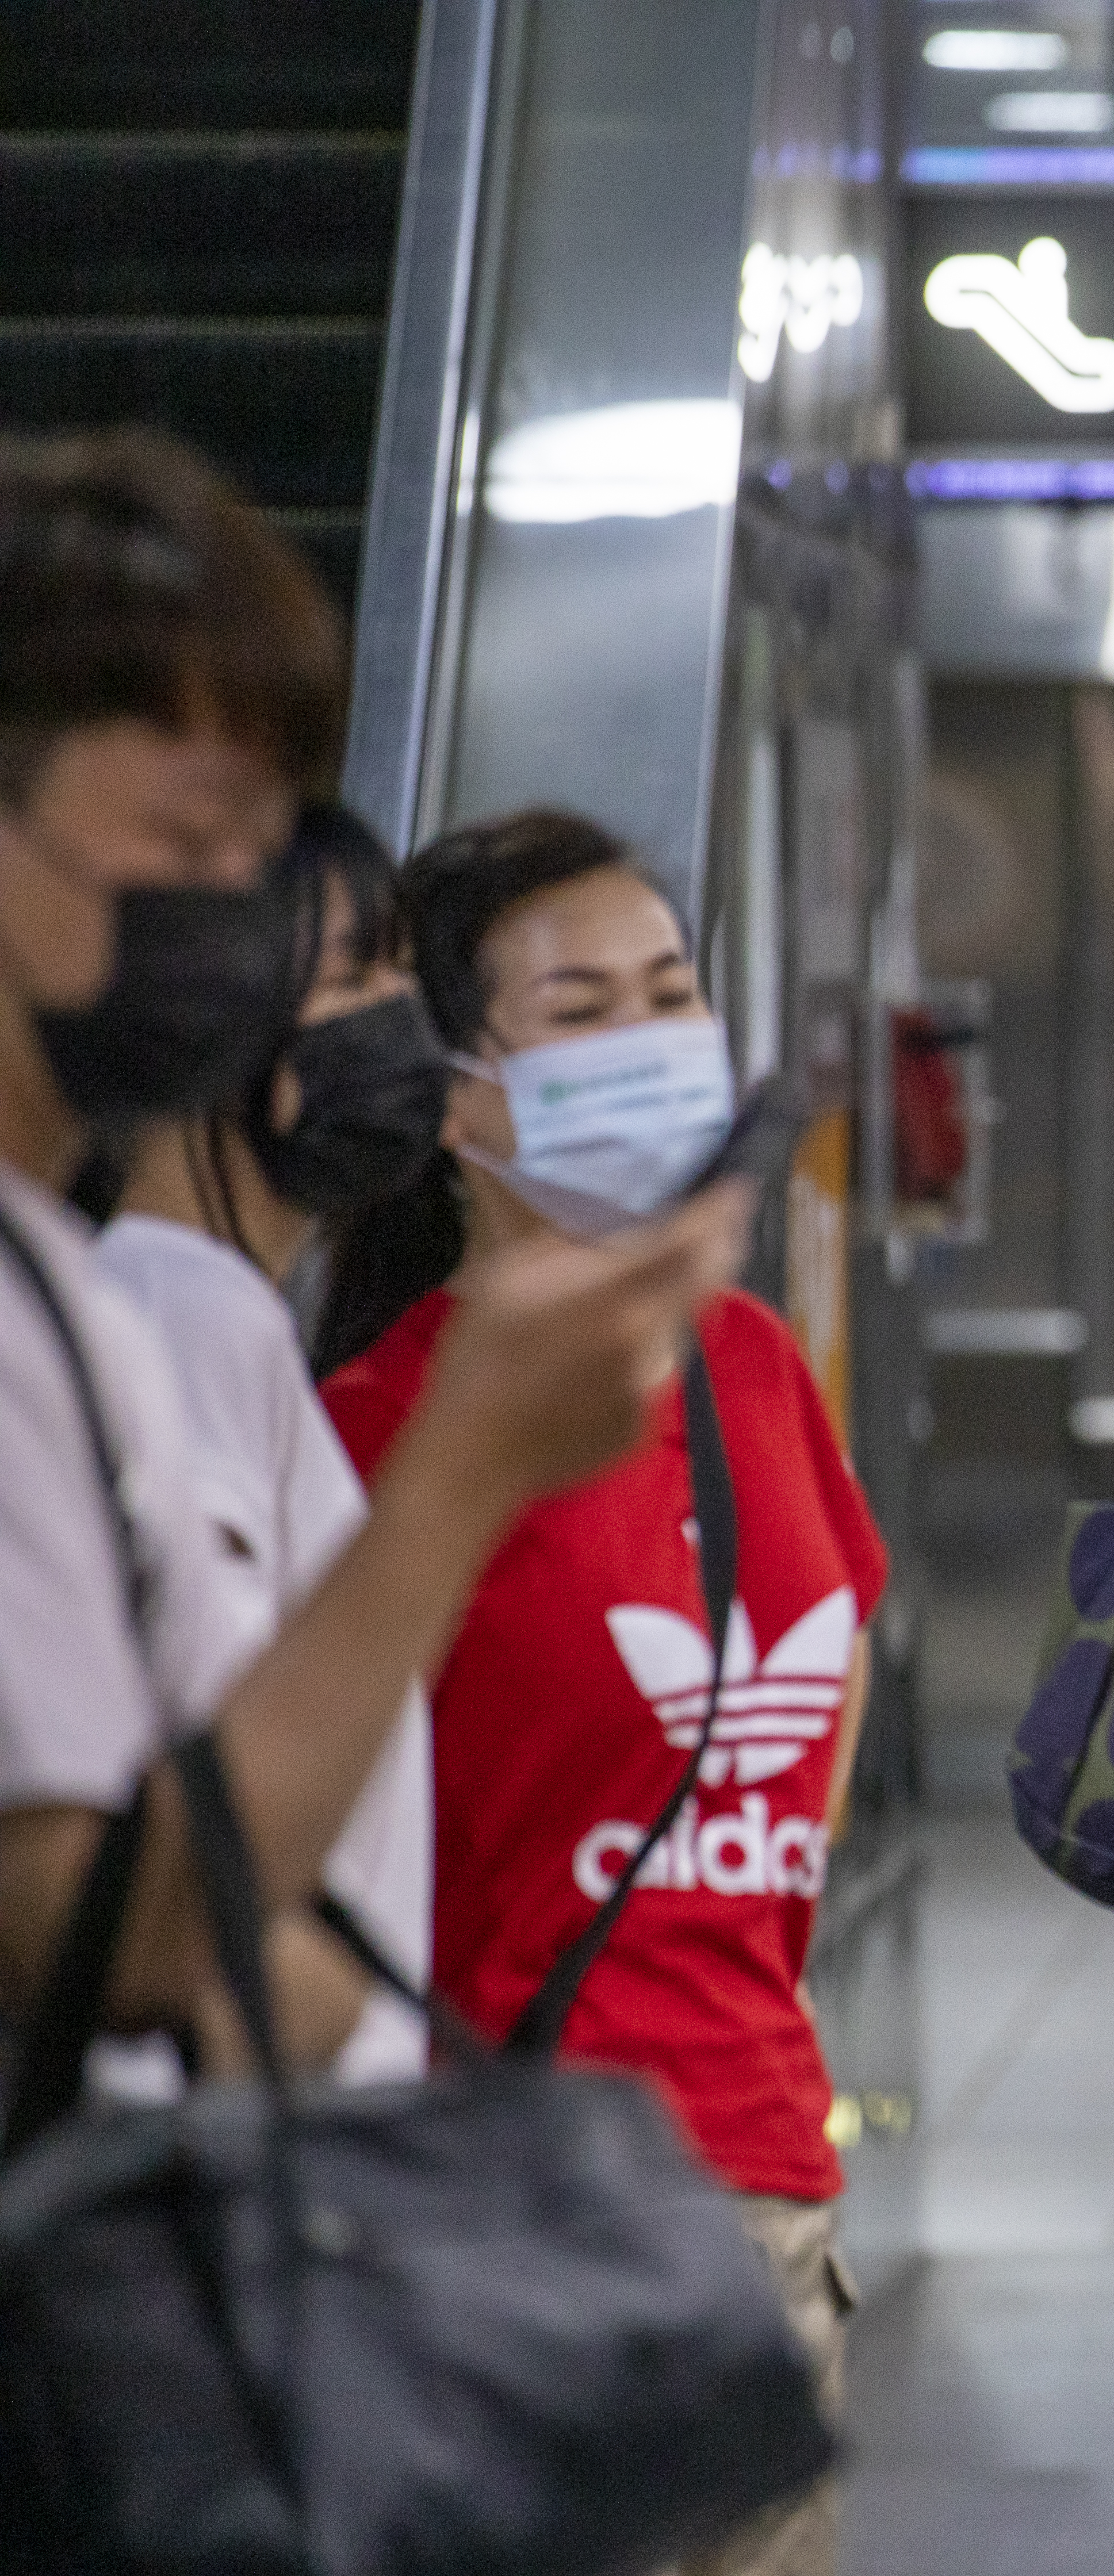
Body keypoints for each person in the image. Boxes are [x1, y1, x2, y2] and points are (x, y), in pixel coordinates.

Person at [0, 431, 736, 2100]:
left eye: (262, 858)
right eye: (189, 846)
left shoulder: (63, 1289)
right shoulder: (94, 1318)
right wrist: (458, 1480)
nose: (237, 923)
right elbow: (118, 1946)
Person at [321, 809, 879, 2576]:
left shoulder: (755, 1366)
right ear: (459, 1089)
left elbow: (828, 1673)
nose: (648, 1044)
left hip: (766, 2186)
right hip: (508, 2228)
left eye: (671, 994)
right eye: (582, 1009)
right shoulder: (373, 1435)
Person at [90, 801, 453, 2086]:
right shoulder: (185, 1317)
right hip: (253, 2162)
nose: (404, 1022)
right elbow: (219, 1797)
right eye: (358, 975)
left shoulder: (204, 1308)